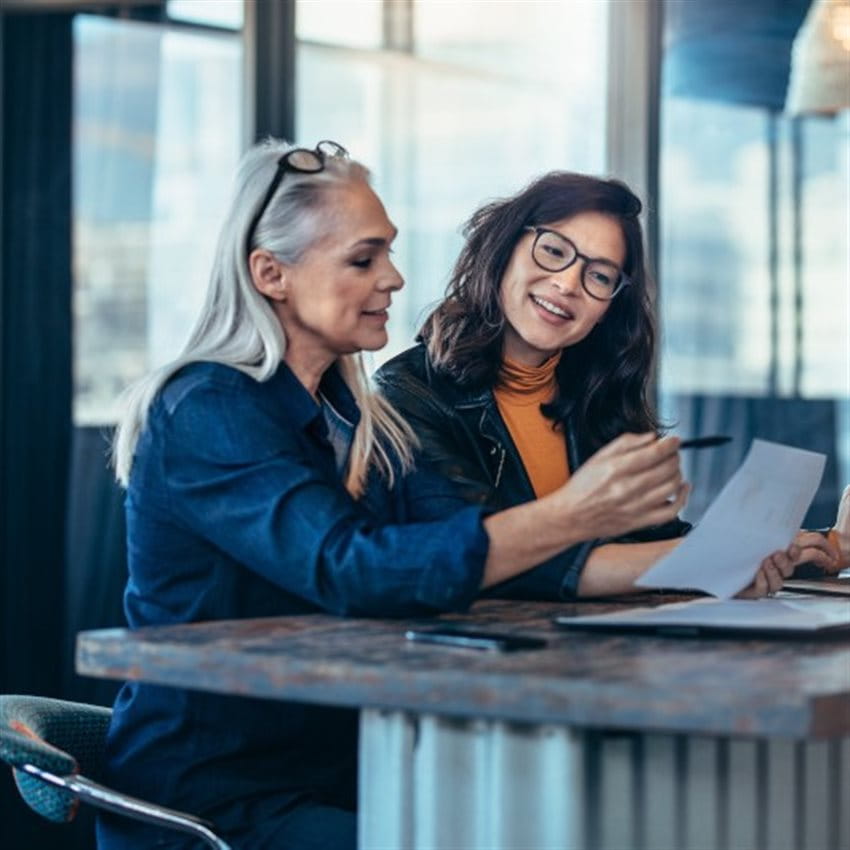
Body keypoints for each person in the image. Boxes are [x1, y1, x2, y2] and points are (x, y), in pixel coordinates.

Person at [103, 140, 718, 850]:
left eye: (389, 253)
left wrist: (722, 562)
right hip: (222, 797)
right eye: (364, 260)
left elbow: (481, 548)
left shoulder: (363, 420)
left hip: (344, 768)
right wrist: (575, 511)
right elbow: (350, 568)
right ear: (271, 274)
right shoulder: (207, 409)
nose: (394, 278)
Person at [375, 171, 841, 598]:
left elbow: (649, 542)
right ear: (503, 249)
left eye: (599, 275)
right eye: (554, 251)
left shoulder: (597, 394)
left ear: (610, 306)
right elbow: (487, 559)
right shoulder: (408, 393)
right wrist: (711, 562)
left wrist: (787, 550)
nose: (567, 283)